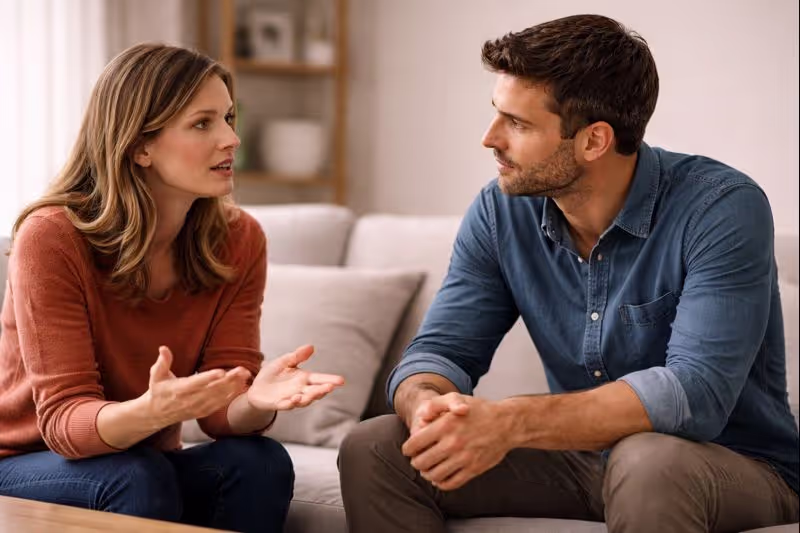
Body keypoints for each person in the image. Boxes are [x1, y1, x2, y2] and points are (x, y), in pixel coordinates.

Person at [338, 14, 799, 533]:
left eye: (518, 123)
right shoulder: (501, 211)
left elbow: (695, 394)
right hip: (582, 461)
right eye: (497, 114)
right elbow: (439, 352)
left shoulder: (721, 207)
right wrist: (427, 404)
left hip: (728, 466)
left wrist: (510, 422)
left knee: (648, 462)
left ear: (594, 141)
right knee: (376, 447)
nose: (490, 139)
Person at [0, 43, 344, 532]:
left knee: (258, 461)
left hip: (138, 461)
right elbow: (64, 425)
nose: (231, 138)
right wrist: (149, 413)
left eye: (228, 117)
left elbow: (220, 414)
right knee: (136, 475)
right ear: (139, 145)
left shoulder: (239, 240)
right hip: (25, 462)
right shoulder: (53, 236)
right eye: (203, 123)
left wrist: (254, 401)